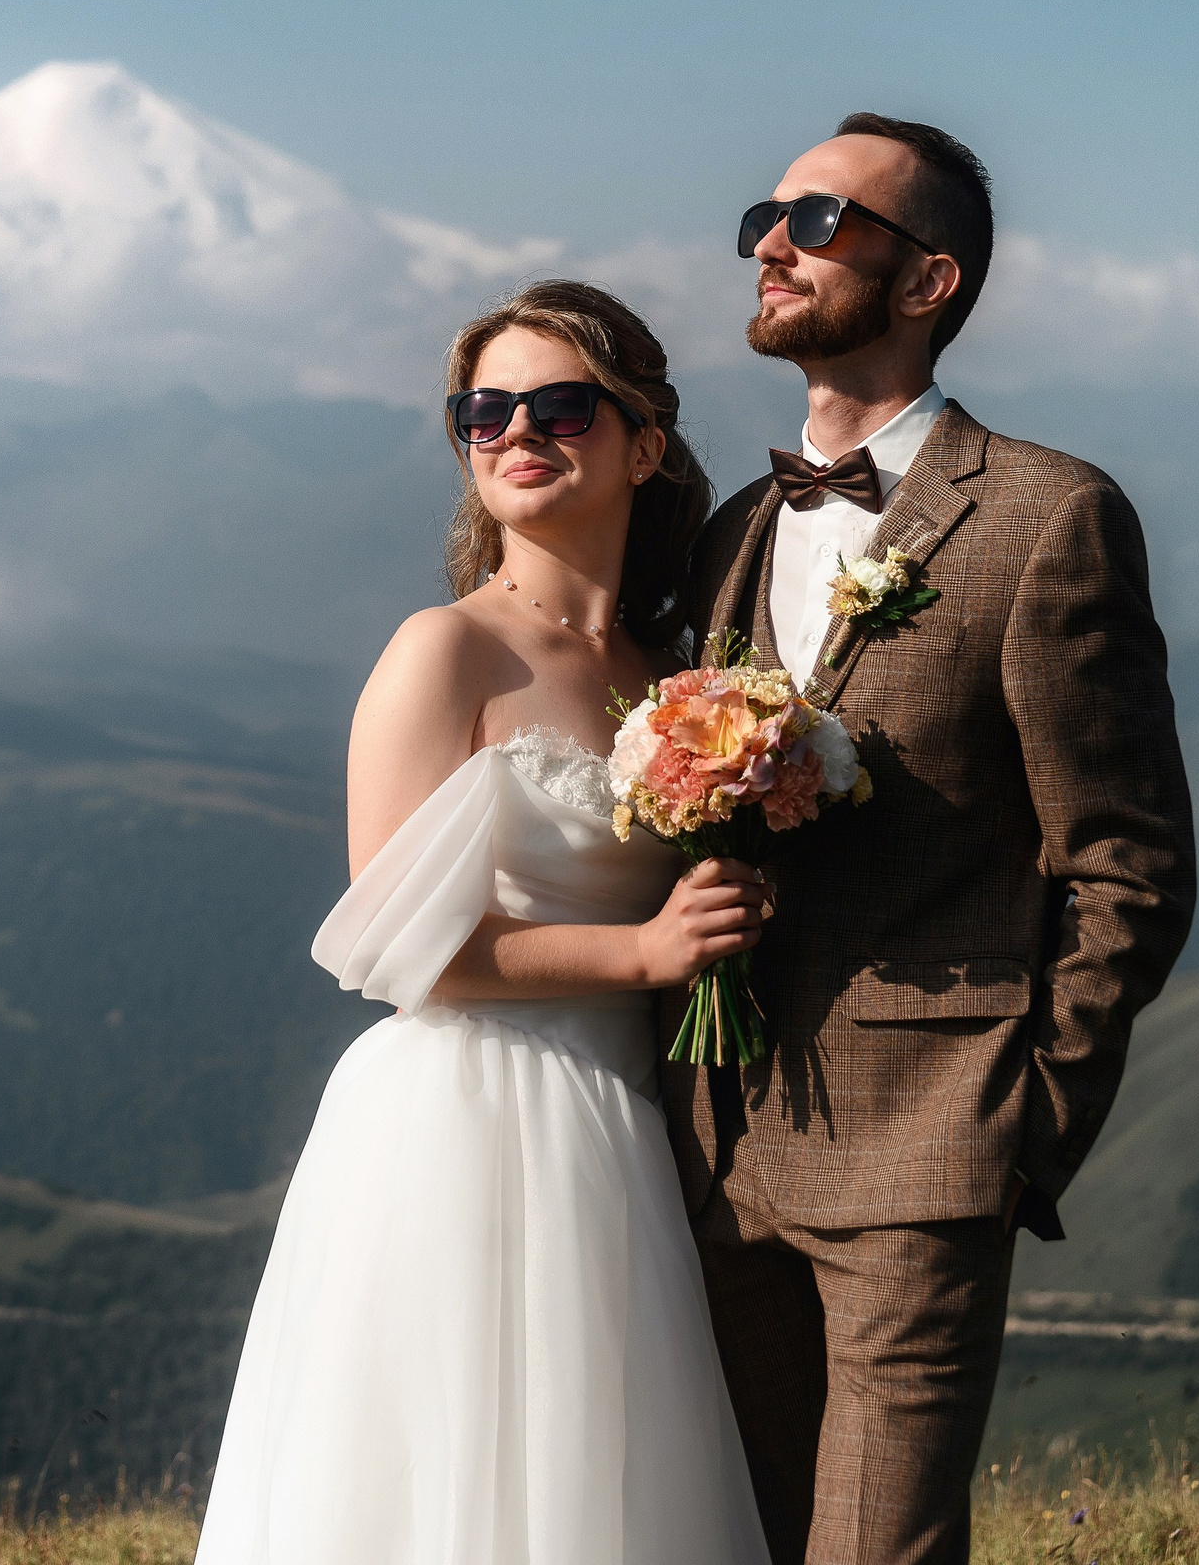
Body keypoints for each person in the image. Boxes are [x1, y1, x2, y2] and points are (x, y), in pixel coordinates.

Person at [670, 115, 1198, 1563]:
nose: (772, 242)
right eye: (767, 215)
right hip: (715, 1145)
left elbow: (1127, 864)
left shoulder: (1047, 516)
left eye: (823, 222)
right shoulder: (727, 531)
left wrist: (1025, 1127)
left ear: (927, 282)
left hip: (929, 1144)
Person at [195, 281, 773, 1565]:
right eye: (483, 410)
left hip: (624, 1120)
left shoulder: (669, 674)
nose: (519, 431)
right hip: (465, 1122)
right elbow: (390, 941)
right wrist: (641, 953)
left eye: (561, 405)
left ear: (645, 442)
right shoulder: (442, 651)